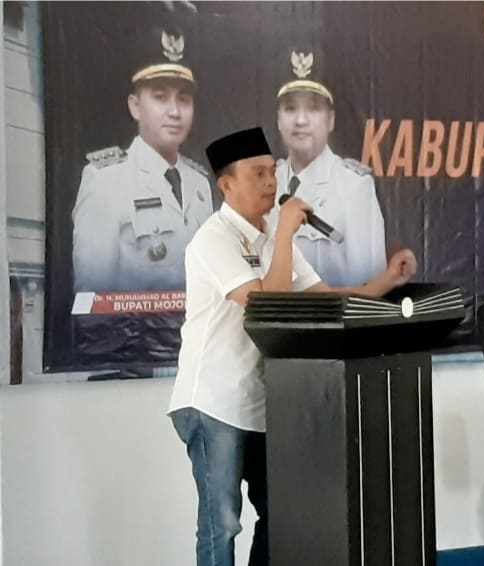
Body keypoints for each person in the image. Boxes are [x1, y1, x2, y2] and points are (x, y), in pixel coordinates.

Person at [167, 127, 417, 566]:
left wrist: (385, 283)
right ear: (226, 185)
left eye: (272, 172)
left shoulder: (270, 236)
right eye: (258, 174)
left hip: (261, 401)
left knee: (279, 512)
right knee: (222, 523)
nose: (271, 183)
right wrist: (284, 234)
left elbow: (324, 296)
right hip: (212, 402)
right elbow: (267, 305)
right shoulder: (213, 239)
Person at [71, 28, 213, 292]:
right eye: (160, 98)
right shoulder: (105, 180)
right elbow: (94, 298)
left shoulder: (200, 184)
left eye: (184, 100)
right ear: (135, 106)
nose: (174, 111)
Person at [267, 50, 387, 287]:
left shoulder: (354, 186)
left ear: (330, 120)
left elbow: (370, 286)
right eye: (290, 109)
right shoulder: (265, 185)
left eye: (313, 109)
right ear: (279, 120)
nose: (301, 120)